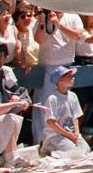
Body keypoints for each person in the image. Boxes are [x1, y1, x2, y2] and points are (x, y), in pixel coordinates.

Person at [33, 9, 83, 142]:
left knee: (65, 106)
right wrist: (43, 21)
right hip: (48, 66)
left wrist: (58, 24)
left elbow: (78, 36)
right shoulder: (42, 18)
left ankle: (66, 137)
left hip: (67, 66)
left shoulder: (73, 16)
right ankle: (42, 141)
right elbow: (39, 39)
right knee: (46, 105)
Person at [42, 66, 86, 157]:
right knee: (73, 152)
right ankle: (49, 146)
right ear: (60, 80)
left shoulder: (73, 96)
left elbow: (76, 117)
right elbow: (51, 122)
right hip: (56, 134)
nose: (72, 78)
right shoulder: (52, 99)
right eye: (69, 76)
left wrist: (76, 133)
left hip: (71, 132)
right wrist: (68, 135)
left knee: (85, 150)